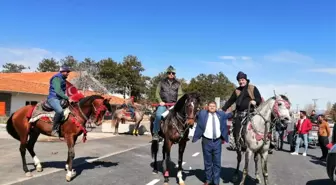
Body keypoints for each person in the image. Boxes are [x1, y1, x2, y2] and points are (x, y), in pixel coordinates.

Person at [192, 101, 232, 185]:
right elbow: (193, 111)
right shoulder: (202, 114)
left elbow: (231, 115)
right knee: (208, 162)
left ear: (216, 107)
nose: (212, 107)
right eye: (210, 106)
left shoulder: (221, 114)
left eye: (214, 106)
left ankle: (216, 181)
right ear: (207, 107)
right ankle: (208, 180)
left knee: (217, 163)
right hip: (206, 141)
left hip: (217, 142)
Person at [221, 71, 262, 151]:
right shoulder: (237, 91)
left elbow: (258, 98)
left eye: (242, 80)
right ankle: (237, 143)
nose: (241, 81)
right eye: (239, 80)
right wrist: (223, 109)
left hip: (252, 112)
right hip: (239, 113)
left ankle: (263, 142)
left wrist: (255, 101)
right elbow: (230, 101)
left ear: (246, 80)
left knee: (260, 126)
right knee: (236, 127)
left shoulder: (252, 88)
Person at [152, 65, 184, 140]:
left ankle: (182, 132)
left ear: (174, 74)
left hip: (174, 105)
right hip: (164, 104)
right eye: (169, 73)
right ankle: (156, 134)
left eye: (173, 73)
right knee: (158, 116)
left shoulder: (178, 84)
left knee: (183, 116)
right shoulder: (161, 82)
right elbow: (157, 93)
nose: (171, 74)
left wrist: (178, 103)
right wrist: (160, 101)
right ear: (167, 73)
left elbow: (180, 94)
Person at [47, 65, 71, 137]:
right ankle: (54, 130)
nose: (68, 73)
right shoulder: (57, 78)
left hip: (60, 98)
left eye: (68, 72)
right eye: (67, 71)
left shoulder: (63, 79)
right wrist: (67, 97)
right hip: (53, 98)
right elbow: (58, 91)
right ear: (62, 71)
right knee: (60, 111)